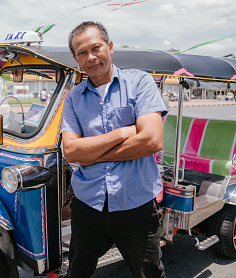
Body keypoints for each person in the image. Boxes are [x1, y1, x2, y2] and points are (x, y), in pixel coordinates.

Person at [61, 21, 167, 278]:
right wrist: (121, 133)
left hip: (136, 203)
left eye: (96, 48)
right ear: (76, 59)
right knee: (77, 270)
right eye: (82, 53)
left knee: (149, 273)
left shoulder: (139, 82)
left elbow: (152, 141)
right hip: (88, 204)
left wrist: (94, 155)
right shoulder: (74, 97)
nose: (91, 57)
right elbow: (72, 153)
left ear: (109, 47)